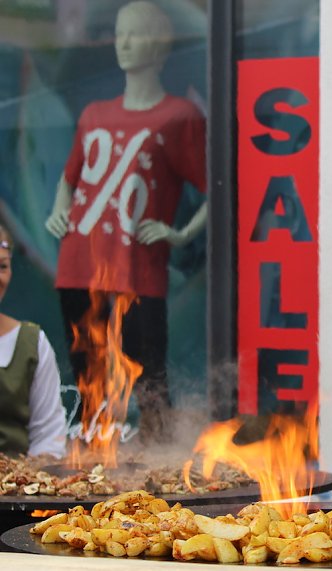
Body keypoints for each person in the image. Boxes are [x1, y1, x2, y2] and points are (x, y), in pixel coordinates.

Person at [44, 0, 207, 445]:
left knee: (149, 375)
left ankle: (161, 466)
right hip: (78, 264)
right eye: (119, 33)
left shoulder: (179, 116)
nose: (125, 43)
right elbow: (69, 177)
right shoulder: (95, 113)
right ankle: (96, 463)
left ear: (160, 45)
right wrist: (60, 211)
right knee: (89, 375)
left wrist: (181, 233)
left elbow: (217, 189)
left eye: (136, 33)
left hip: (138, 270)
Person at [0, 225, 66, 459]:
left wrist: (29, 478)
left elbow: (49, 435)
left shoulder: (31, 343)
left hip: (14, 489)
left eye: (3, 266)